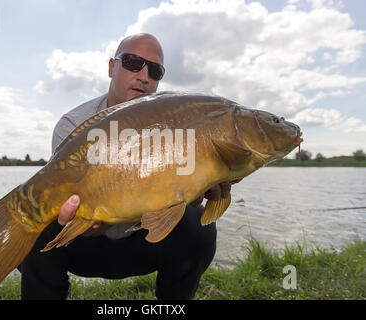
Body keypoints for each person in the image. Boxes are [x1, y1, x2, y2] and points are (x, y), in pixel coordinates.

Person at [18, 33, 233, 300]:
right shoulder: (73, 124)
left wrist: (197, 189)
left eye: (155, 71)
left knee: (198, 226)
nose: (144, 76)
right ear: (111, 67)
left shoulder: (177, 123)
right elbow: (68, 205)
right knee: (33, 226)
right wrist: (84, 221)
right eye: (133, 63)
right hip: (85, 244)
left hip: (144, 242)